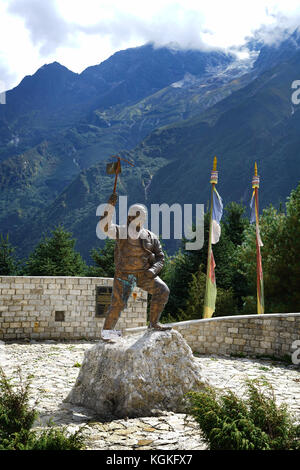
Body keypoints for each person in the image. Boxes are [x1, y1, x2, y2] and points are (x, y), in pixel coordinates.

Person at [99, 193, 171, 340]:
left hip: (145, 275)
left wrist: (152, 271)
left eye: (142, 215)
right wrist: (109, 207)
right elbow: (105, 227)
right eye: (136, 215)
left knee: (163, 290)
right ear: (130, 217)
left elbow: (160, 257)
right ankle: (107, 332)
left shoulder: (151, 236)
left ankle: (154, 323)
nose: (139, 218)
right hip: (124, 275)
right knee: (118, 304)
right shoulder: (121, 231)